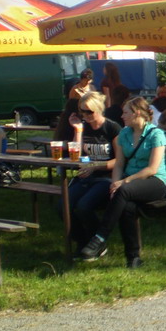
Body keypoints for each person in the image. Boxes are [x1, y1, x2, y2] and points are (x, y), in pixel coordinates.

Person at [79, 97, 166, 267]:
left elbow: (152, 169)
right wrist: (114, 183)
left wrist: (124, 181)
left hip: (153, 181)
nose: (121, 116)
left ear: (137, 113)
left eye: (125, 112)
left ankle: (100, 238)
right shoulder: (124, 134)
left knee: (123, 190)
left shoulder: (156, 134)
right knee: (127, 207)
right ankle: (133, 258)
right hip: (129, 183)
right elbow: (119, 164)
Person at [63, 92, 121, 257]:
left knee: (84, 206)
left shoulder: (112, 128)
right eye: (82, 111)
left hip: (106, 177)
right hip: (85, 176)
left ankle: (97, 242)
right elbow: (76, 155)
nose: (85, 115)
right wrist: (78, 130)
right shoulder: (84, 126)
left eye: (89, 111)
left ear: (99, 109)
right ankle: (82, 240)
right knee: (62, 206)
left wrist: (95, 166)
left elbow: (119, 160)